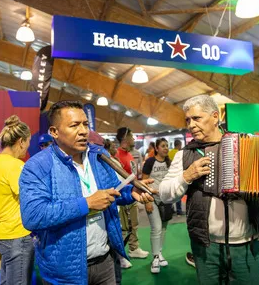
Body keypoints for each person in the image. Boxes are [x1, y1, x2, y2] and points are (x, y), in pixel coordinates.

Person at [19, 101, 153, 285]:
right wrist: (87, 203)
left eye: (85, 124)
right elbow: (33, 216)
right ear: (54, 132)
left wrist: (131, 192)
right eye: (74, 125)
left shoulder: (98, 156)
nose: (83, 131)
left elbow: (114, 189)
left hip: (105, 261)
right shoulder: (37, 166)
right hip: (64, 271)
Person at [159, 95, 259, 285]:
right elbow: (164, 193)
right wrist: (186, 176)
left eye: (196, 118)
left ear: (215, 116)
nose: (191, 125)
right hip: (206, 247)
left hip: (246, 244)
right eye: (187, 120)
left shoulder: (247, 143)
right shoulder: (184, 154)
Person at [0, 115, 34, 285]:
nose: (27, 147)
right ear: (21, 142)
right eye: (28, 142)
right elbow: (31, 197)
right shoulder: (15, 166)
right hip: (18, 234)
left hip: (3, 233)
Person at [116, 127, 149, 268]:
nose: (134, 139)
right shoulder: (117, 156)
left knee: (133, 224)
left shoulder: (129, 154)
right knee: (124, 227)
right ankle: (120, 255)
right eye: (131, 136)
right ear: (125, 138)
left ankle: (134, 248)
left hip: (132, 194)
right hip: (124, 195)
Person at [142, 138, 171, 274]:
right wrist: (147, 200)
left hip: (166, 200)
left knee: (164, 228)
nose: (166, 148)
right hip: (151, 198)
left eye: (167, 146)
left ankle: (159, 253)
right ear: (157, 148)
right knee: (156, 227)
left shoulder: (169, 162)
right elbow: (143, 182)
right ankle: (155, 258)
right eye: (163, 146)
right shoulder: (150, 162)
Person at [168, 139, 184, 216]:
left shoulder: (170, 152)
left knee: (171, 192)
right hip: (177, 175)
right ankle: (179, 210)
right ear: (179, 145)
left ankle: (171, 209)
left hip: (170, 175)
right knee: (178, 193)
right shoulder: (179, 153)